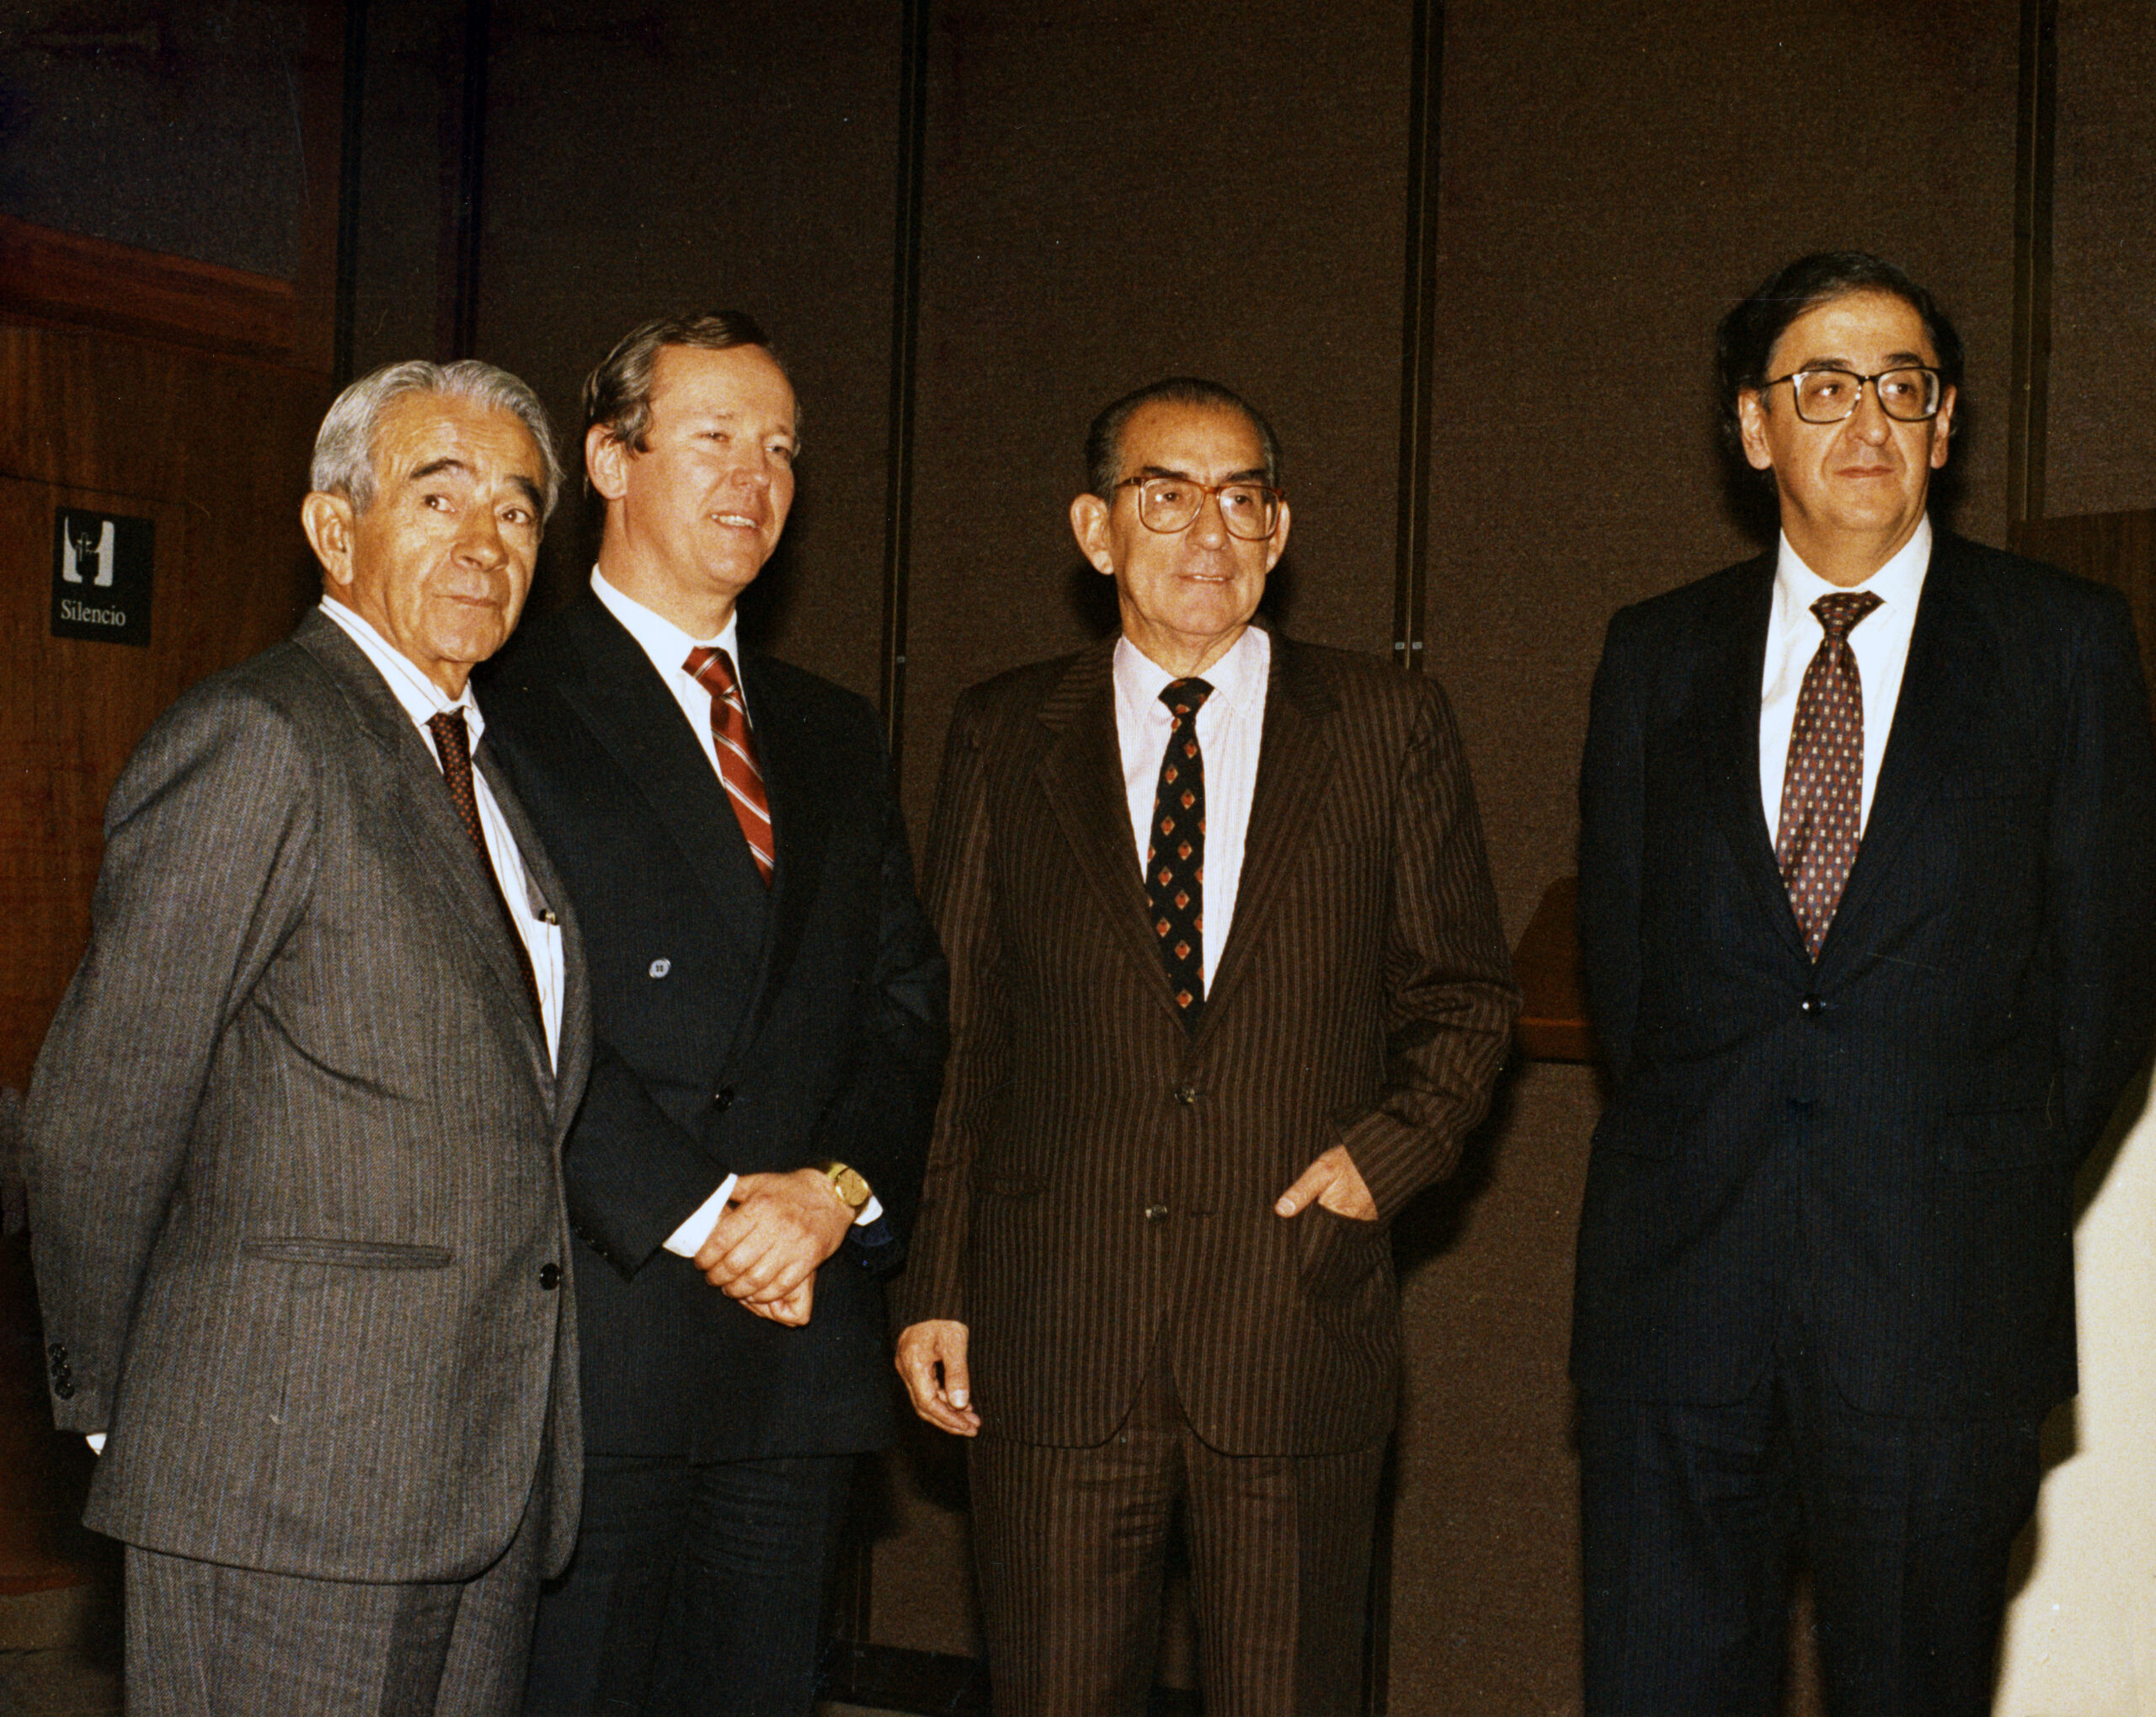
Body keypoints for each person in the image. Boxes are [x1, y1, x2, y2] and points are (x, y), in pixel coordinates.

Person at [1572, 251, 2156, 1715]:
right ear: (1754, 429)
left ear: (1947, 427)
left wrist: (1969, 1187)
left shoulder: (2064, 647)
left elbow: (2101, 1000)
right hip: (1680, 1309)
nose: (1868, 425)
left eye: (1905, 389)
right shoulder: (1655, 654)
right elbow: (1632, 991)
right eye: (1823, 389)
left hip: (1937, 1318)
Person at [894, 376, 1519, 1715]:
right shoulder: (1004, 734)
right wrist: (933, 1282)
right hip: (1053, 1335)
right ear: (1094, 529)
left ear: (1280, 531)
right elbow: (959, 1033)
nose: (1209, 532)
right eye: (1166, 496)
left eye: (1242, 499)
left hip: (1291, 1325)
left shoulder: (1384, 727)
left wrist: (1380, 1162)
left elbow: (1466, 996)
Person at [25, 359, 590, 1714]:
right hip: (281, 1482)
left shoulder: (484, 770)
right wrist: (123, 1400)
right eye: (437, 494)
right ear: (335, 531)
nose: (483, 541)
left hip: (474, 1481)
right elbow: (95, 1107)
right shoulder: (262, 738)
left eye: (517, 512)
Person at [479, 312, 947, 1717]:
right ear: (610, 461)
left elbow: (904, 1002)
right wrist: (707, 1217)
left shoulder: (830, 726)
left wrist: (831, 1198)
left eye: (783, 449)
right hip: (609, 1330)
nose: (757, 479)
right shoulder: (503, 696)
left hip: (796, 1342)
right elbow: (514, 1003)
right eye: (714, 439)